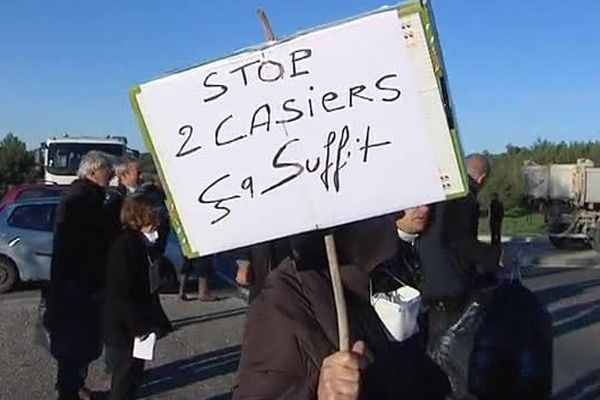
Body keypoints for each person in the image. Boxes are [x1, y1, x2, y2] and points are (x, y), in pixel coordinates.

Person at [234, 215, 450, 399]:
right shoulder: (286, 297)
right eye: (381, 204)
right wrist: (322, 393)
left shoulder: (388, 273)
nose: (398, 213)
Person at [47, 151, 115, 400]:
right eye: (108, 169)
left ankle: (75, 384)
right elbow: (91, 239)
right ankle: (68, 391)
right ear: (93, 171)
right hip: (77, 284)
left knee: (82, 340)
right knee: (74, 342)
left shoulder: (89, 196)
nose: (112, 174)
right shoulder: (79, 199)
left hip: (80, 281)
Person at [103, 193, 171, 400]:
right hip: (127, 325)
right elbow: (120, 292)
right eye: (155, 217)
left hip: (136, 321)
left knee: (133, 375)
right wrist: (137, 327)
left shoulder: (140, 243)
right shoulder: (125, 245)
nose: (158, 222)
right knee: (124, 377)